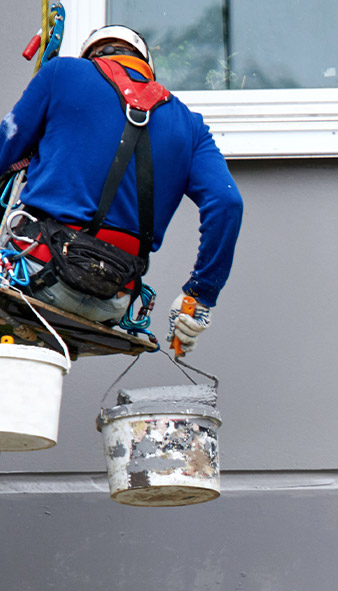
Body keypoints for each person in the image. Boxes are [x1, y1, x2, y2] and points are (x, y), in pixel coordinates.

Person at [0, 25, 242, 351]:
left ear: (91, 56)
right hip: (113, 300)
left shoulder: (62, 73)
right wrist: (200, 296)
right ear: (145, 66)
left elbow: (6, 146)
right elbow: (227, 202)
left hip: (35, 272)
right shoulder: (191, 126)